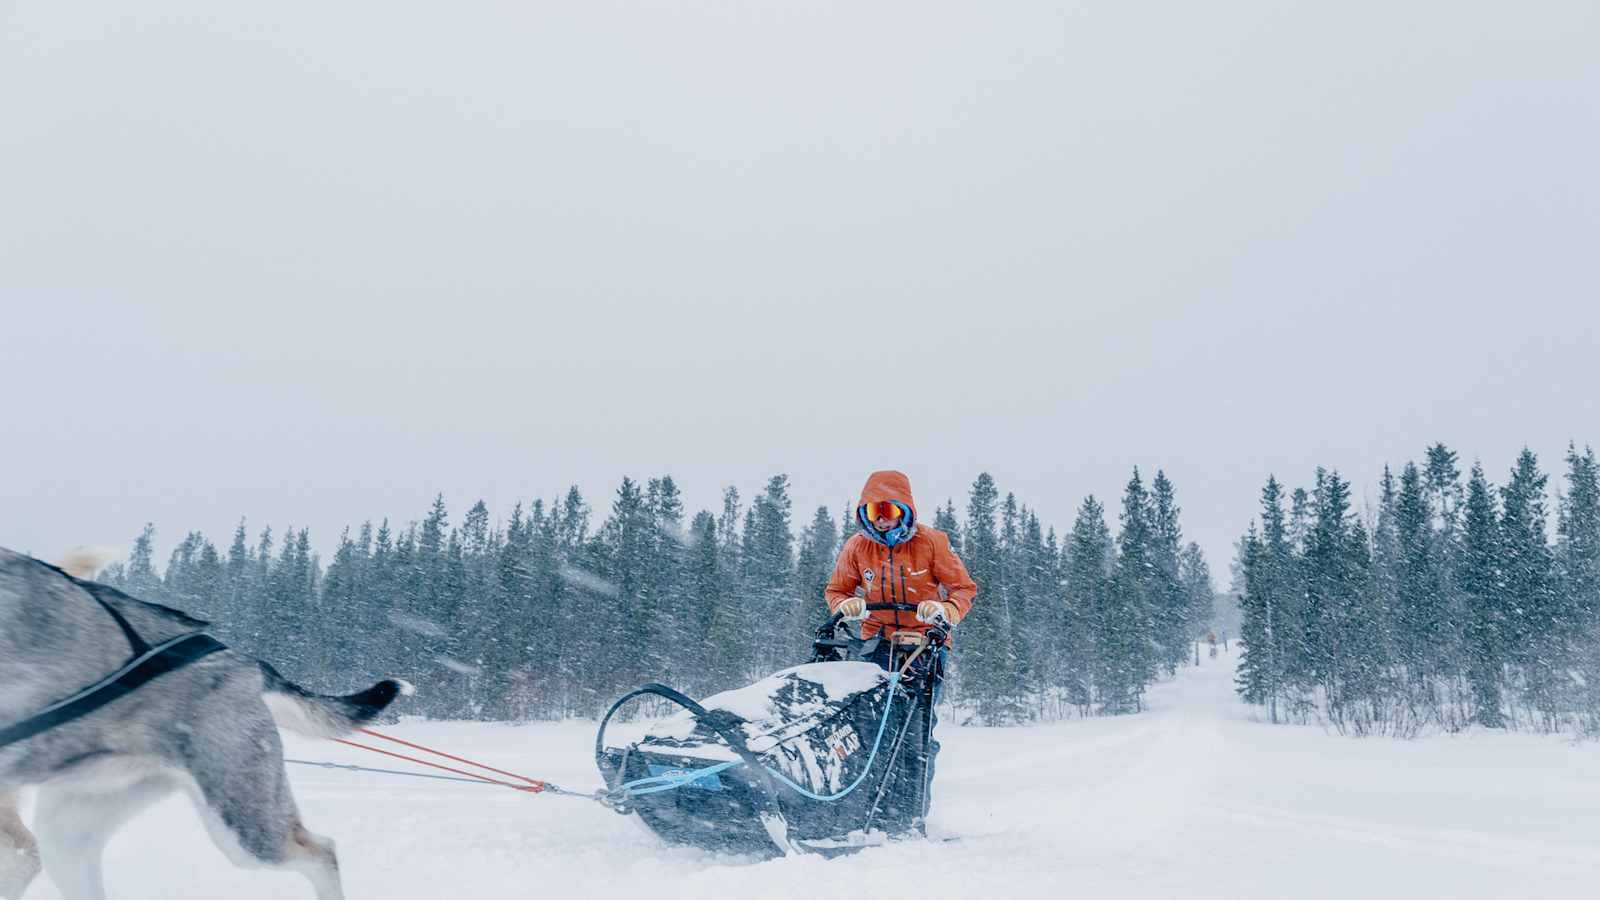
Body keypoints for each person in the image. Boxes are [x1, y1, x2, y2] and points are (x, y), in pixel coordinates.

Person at [823, 469, 976, 824]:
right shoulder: (857, 547)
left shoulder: (932, 542)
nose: (881, 520)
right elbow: (836, 590)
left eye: (888, 511)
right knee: (868, 726)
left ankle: (908, 815)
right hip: (875, 641)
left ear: (905, 510)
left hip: (925, 643)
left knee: (915, 730)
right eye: (874, 511)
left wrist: (945, 611)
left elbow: (964, 589)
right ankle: (865, 810)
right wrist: (844, 606)